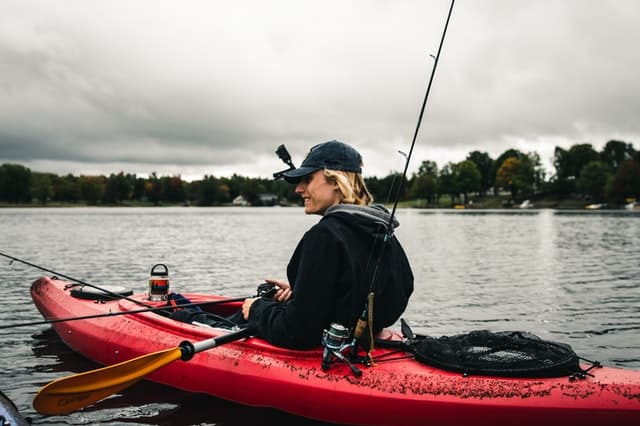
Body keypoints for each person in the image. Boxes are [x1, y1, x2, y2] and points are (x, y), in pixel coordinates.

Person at [241, 140, 414, 349]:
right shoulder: (381, 229)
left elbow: (296, 332)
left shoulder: (324, 235)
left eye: (307, 179)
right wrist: (303, 291)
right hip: (371, 347)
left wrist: (257, 309)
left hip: (332, 358)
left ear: (335, 179)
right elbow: (369, 291)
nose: (298, 189)